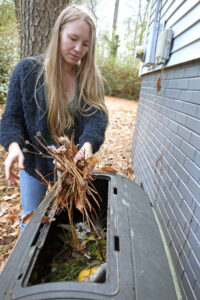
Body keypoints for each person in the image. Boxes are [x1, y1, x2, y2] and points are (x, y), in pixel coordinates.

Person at [0, 5, 108, 231]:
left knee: (68, 221)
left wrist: (88, 144)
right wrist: (13, 146)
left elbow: (95, 117)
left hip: (72, 165)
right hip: (34, 162)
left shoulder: (88, 79)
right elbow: (12, 117)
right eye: (72, 38)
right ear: (58, 32)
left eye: (86, 44)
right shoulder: (27, 71)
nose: (78, 49)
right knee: (31, 222)